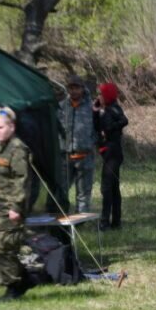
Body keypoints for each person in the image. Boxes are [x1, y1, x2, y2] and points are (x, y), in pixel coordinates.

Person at [0, 106, 35, 301]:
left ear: (11, 127)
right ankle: (24, 279)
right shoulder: (0, 148)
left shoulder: (17, 149)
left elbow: (22, 180)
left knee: (4, 247)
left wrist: (16, 207)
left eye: (0, 127)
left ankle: (14, 287)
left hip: (9, 209)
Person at [58, 74, 97, 214]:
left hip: (85, 156)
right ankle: (61, 217)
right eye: (71, 88)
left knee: (83, 192)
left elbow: (98, 127)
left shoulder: (92, 107)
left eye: (77, 88)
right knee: (61, 189)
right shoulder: (62, 107)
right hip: (66, 156)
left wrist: (93, 142)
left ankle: (82, 219)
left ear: (83, 89)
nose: (74, 91)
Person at [94, 81, 128, 231]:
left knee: (106, 187)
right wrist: (95, 112)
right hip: (107, 151)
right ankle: (116, 221)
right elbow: (97, 127)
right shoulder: (105, 109)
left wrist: (108, 130)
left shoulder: (113, 109)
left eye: (101, 94)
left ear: (107, 95)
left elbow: (124, 121)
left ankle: (105, 222)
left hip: (113, 152)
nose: (98, 96)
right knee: (113, 188)